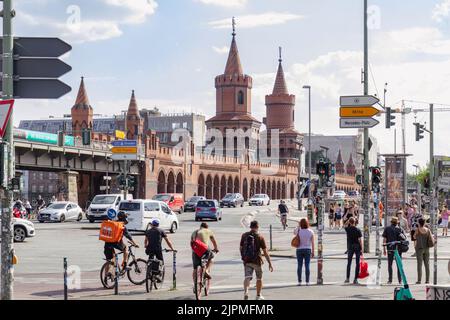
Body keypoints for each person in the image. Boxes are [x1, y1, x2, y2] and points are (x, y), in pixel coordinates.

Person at [240, 220, 274, 300]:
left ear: (250, 227)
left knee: (247, 277)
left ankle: (246, 292)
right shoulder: (260, 237)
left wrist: (243, 257)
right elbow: (265, 251)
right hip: (257, 261)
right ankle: (258, 295)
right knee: (259, 278)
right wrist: (270, 263)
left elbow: (241, 248)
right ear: (257, 227)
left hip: (247, 260)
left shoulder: (244, 235)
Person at [103, 212, 139, 279]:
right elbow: (128, 236)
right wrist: (134, 243)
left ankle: (105, 278)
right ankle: (124, 264)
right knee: (125, 249)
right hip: (116, 243)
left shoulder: (112, 223)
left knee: (109, 259)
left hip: (107, 243)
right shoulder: (121, 226)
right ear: (124, 218)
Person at [382, 217, 406, 285]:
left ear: (391, 222)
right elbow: (404, 238)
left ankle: (390, 280)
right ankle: (400, 280)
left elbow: (384, 239)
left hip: (390, 248)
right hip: (398, 249)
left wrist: (384, 249)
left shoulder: (387, 228)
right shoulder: (400, 229)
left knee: (390, 264)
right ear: (397, 222)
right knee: (399, 265)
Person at [293, 218, 315, 285]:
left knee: (299, 265)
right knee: (307, 265)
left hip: (299, 249)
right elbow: (313, 243)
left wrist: (298, 226)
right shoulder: (311, 231)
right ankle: (307, 281)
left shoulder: (298, 231)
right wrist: (313, 251)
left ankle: (299, 281)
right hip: (308, 249)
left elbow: (294, 232)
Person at [414, 218, 434, 284]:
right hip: (427, 248)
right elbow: (431, 238)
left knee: (419, 265)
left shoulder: (417, 230)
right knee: (427, 264)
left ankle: (419, 280)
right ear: (424, 223)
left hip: (419, 249)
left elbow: (414, 237)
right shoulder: (428, 230)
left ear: (419, 223)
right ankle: (427, 280)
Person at [345, 217, 363, 285]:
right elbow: (360, 240)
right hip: (357, 247)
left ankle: (347, 278)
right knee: (357, 263)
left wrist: (348, 221)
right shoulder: (358, 230)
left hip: (350, 247)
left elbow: (344, 225)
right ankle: (355, 279)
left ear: (350, 222)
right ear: (355, 222)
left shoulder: (348, 229)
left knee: (349, 263)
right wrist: (361, 249)